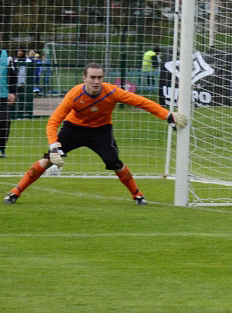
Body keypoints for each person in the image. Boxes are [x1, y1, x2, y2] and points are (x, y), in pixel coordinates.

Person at [3, 62, 188, 206]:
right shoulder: (74, 94)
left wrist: (167, 115)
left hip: (101, 131)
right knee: (47, 160)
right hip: (73, 129)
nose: (96, 81)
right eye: (92, 77)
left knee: (113, 162)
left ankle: (138, 195)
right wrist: (53, 145)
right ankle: (15, 192)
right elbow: (53, 121)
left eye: (99, 77)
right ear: (84, 78)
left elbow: (141, 102)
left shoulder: (112, 92)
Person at [0, 40, 17, 158]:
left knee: (4, 121)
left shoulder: (7, 58)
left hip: (3, 96)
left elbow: (13, 76)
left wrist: (12, 92)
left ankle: (1, 148)